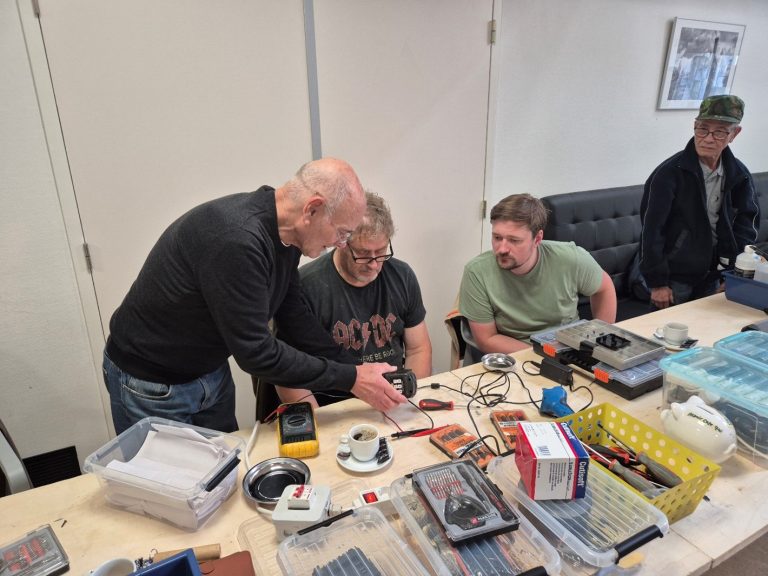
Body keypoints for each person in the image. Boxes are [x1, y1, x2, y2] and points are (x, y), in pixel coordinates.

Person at [103, 158, 406, 434]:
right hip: (152, 382)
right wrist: (350, 378)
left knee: (221, 474)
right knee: (166, 488)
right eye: (341, 232)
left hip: (209, 370)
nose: (340, 244)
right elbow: (257, 353)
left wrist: (356, 369)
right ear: (311, 210)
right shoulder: (238, 242)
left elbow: (295, 317)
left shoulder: (284, 235)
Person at [274, 191, 432, 408]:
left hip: (392, 401)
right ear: (341, 242)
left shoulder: (402, 276)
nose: (374, 264)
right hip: (334, 408)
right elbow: (288, 373)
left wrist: (406, 403)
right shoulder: (305, 286)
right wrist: (317, 420)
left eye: (382, 252)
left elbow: (418, 348)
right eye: (364, 254)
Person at [635, 94, 760, 309]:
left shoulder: (739, 174)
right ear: (694, 126)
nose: (708, 138)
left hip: (715, 274)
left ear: (734, 134)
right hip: (675, 277)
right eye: (703, 129)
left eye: (719, 131)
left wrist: (732, 275)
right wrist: (657, 283)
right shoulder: (668, 174)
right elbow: (652, 231)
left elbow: (745, 226)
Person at [459, 193, 616, 353]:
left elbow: (604, 288)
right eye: (497, 237)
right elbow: (487, 339)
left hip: (569, 347)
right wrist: (544, 355)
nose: (502, 249)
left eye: (514, 240)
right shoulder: (477, 272)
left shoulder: (571, 258)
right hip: (516, 355)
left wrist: (597, 342)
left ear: (537, 238)